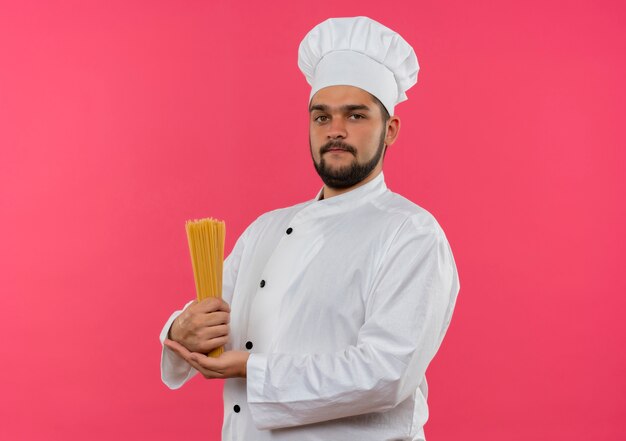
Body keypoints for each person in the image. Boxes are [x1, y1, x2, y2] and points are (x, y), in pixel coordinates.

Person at [160, 16, 460, 441]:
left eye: (355, 115)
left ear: (390, 130)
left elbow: (386, 373)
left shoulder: (411, 234)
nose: (335, 131)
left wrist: (254, 370)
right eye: (322, 117)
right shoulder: (266, 230)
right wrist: (179, 331)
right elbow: (209, 320)